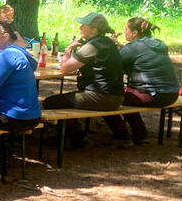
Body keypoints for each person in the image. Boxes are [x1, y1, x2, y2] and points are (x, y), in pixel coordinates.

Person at [43, 12, 124, 149]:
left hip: (100, 96)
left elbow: (65, 69)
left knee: (51, 102)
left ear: (94, 29)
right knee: (76, 98)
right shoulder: (108, 42)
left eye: (83, 25)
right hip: (117, 95)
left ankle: (78, 138)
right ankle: (123, 136)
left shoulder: (92, 46)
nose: (80, 27)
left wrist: (68, 50)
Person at [108, 17, 179, 145]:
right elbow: (141, 52)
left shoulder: (132, 47)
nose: (124, 32)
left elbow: (113, 66)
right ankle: (139, 133)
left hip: (153, 96)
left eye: (126, 29)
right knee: (128, 95)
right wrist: (120, 46)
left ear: (135, 33)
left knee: (109, 98)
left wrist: (112, 47)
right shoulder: (157, 43)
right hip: (172, 94)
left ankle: (125, 135)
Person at [0, 20, 41, 133]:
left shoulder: (8, 55)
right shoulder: (17, 52)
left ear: (6, 36)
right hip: (31, 116)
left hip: (15, 118)